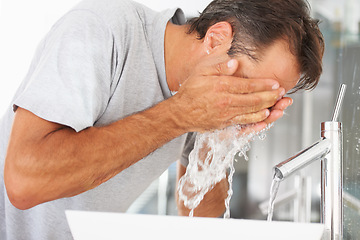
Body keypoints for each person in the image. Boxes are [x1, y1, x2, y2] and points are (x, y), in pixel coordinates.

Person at [0, 0, 323, 238]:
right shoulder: (101, 28)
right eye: (248, 89)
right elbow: (25, 184)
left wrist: (220, 141)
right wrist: (180, 114)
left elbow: (200, 218)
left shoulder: (207, 94)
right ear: (215, 39)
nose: (250, 104)